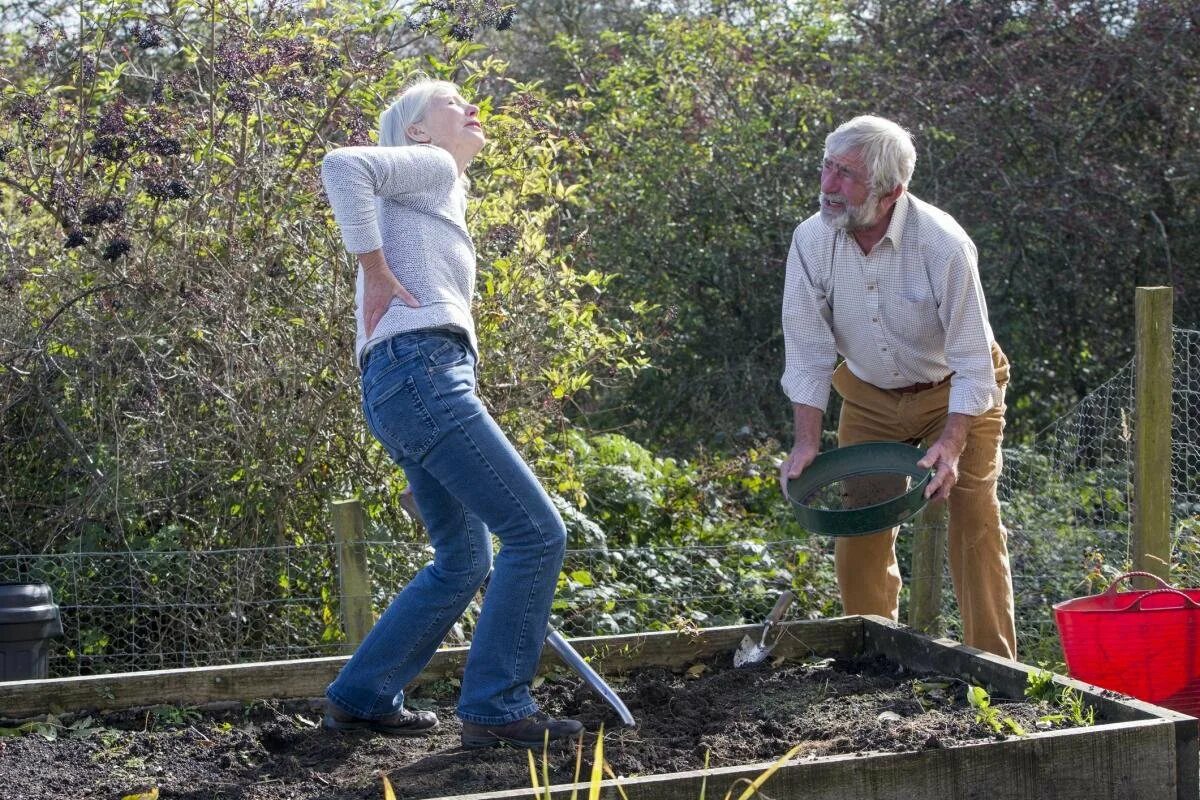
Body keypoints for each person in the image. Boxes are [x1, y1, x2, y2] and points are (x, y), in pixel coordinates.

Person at [318, 78, 584, 749]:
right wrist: (374, 270)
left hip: (407, 388)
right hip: (419, 376)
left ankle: (362, 695)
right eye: (450, 102)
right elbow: (341, 163)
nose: (471, 108)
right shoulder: (431, 168)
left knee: (464, 558)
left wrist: (430, 448)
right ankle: (497, 706)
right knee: (537, 534)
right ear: (417, 133)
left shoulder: (436, 194)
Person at [778, 115, 1017, 659]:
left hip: (955, 388)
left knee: (972, 516)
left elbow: (974, 361)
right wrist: (807, 442)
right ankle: (872, 658)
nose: (828, 186)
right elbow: (809, 350)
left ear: (891, 192)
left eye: (847, 176)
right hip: (868, 393)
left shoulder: (942, 244)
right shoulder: (811, 240)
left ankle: (1001, 675)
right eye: (827, 168)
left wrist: (953, 444)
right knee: (859, 523)